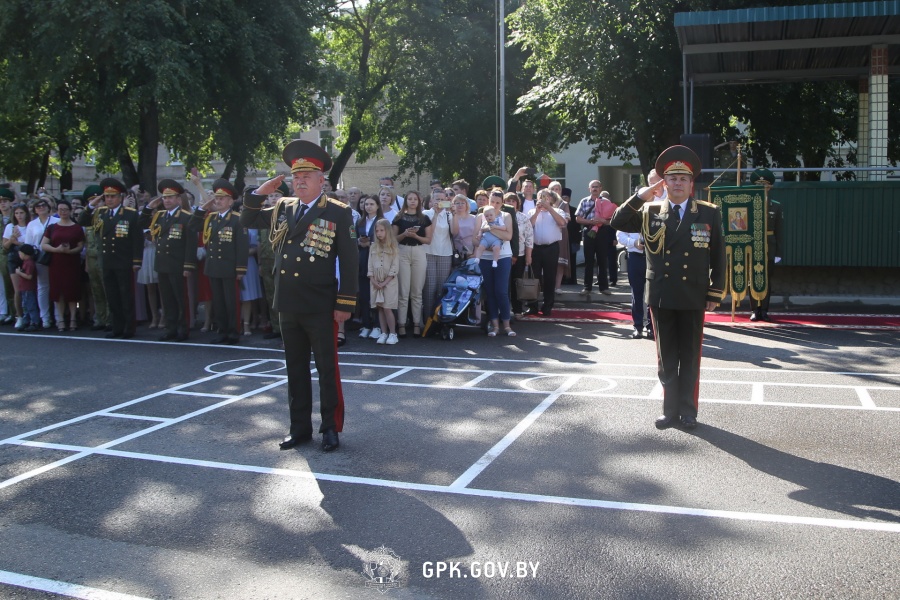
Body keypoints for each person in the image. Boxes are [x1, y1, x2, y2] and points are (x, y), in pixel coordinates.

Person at [241, 140, 358, 452]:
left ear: (322, 180)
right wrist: (260, 192)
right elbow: (247, 220)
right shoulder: (283, 207)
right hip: (288, 303)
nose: (300, 181)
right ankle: (299, 428)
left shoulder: (337, 212)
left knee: (327, 369)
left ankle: (330, 428)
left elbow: (349, 262)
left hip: (320, 303)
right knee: (295, 369)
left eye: (307, 176)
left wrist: (345, 302)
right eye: (296, 177)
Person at [610, 145, 726, 430]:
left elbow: (718, 256)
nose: (678, 184)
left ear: (691, 184)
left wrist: (715, 291)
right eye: (672, 179)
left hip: (693, 293)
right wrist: (642, 195)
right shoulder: (650, 210)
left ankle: (688, 411)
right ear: (664, 183)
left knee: (690, 356)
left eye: (683, 179)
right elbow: (617, 221)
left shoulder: (708, 213)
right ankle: (669, 411)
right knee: (666, 357)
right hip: (662, 294)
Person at [78, 178, 143, 338]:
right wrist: (92, 204)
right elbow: (82, 221)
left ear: (120, 197)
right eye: (107, 196)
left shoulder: (130, 214)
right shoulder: (101, 213)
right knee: (112, 296)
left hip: (123, 260)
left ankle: (128, 327)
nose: (109, 199)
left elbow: (137, 240)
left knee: (125, 295)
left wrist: (136, 261)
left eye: (113, 196)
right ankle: (117, 326)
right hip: (107, 261)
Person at [140, 179, 198, 341]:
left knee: (180, 298)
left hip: (178, 264)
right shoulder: (159, 216)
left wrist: (188, 266)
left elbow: (191, 244)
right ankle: (171, 328)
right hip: (163, 263)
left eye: (170, 197)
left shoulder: (186, 217)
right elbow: (141, 223)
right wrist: (149, 207)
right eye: (165, 198)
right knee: (167, 299)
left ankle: (183, 329)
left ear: (178, 199)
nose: (167, 201)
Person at [192, 179, 248, 344]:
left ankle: (233, 332)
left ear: (230, 201)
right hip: (213, 267)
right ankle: (222, 331)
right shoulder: (211, 218)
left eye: (222, 198)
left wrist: (240, 269)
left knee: (231, 302)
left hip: (229, 267)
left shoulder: (237, 219)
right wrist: (202, 209)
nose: (218, 201)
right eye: (216, 198)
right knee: (218, 301)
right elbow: (193, 226)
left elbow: (242, 246)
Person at [40, 199, 85, 331]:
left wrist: (70, 251)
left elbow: (81, 246)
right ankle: (60, 318)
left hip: (72, 262)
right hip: (56, 263)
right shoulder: (52, 227)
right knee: (57, 292)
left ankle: (73, 318)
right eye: (60, 210)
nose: (63, 212)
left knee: (73, 292)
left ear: (70, 211)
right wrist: (56, 249)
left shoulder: (77, 228)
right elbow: (44, 245)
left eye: (65, 209)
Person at [392, 190, 431, 337]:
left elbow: (428, 240)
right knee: (403, 291)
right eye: (410, 199)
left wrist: (415, 236)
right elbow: (393, 239)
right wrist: (405, 234)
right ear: (406, 201)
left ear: (419, 201)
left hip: (419, 252)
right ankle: (401, 323)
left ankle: (416, 323)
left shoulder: (424, 218)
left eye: (415, 199)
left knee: (417, 292)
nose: (413, 201)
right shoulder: (399, 217)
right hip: (402, 251)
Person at [476, 190, 515, 336]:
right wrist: (486, 245)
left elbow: (508, 236)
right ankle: (495, 326)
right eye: (492, 201)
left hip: (503, 257)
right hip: (485, 257)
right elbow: (475, 239)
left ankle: (507, 325)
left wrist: (491, 228)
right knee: (490, 292)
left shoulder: (506, 216)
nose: (495, 205)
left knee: (501, 291)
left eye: (498, 202)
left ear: (502, 203)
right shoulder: (481, 216)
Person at [749, 168, 784, 322]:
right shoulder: (749, 205)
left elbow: (779, 232)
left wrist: (778, 253)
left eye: (764, 185)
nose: (762, 187)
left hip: (769, 246)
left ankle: (764, 310)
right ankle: (754, 309)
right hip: (752, 246)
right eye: (758, 185)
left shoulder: (776, 206)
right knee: (752, 278)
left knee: (766, 279)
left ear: (769, 187)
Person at [527, 188, 568, 317]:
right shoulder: (531, 211)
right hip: (535, 248)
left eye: (546, 197)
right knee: (534, 277)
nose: (543, 199)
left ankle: (547, 306)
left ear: (550, 199)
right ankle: (532, 306)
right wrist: (537, 212)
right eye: (541, 197)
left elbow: (562, 223)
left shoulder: (558, 211)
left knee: (550, 277)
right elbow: (528, 227)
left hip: (551, 248)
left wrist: (549, 209)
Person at [23, 196, 59, 328]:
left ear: (49, 208)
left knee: (56, 286)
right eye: (38, 206)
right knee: (43, 287)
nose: (41, 208)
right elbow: (28, 244)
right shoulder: (32, 224)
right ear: (35, 210)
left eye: (44, 205)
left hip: (56, 256)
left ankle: (58, 317)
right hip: (40, 259)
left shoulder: (56, 221)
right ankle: (45, 318)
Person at [575, 180, 614, 299]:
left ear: (601, 188)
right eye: (593, 187)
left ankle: (604, 287)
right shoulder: (584, 201)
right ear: (589, 189)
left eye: (597, 187)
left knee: (602, 260)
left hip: (602, 232)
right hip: (589, 231)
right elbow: (578, 218)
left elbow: (612, 220)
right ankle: (587, 287)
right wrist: (590, 222)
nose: (595, 189)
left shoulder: (606, 202)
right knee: (589, 261)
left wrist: (603, 221)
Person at [422, 188, 455, 325]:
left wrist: (454, 214)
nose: (440, 202)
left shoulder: (448, 214)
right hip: (428, 252)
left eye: (442, 199)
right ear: (432, 200)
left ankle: (440, 320)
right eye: (437, 199)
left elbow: (455, 232)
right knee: (430, 287)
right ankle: (427, 320)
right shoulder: (426, 214)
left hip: (445, 253)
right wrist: (435, 214)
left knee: (441, 288)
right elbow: (430, 231)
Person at [368, 218, 399, 345]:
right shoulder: (373, 247)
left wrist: (385, 282)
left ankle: (393, 333)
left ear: (388, 231)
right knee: (380, 307)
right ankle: (383, 332)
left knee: (387, 307)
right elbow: (370, 265)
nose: (379, 233)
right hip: (376, 282)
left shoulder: (393, 247)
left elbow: (395, 267)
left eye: (382, 230)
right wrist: (373, 280)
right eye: (377, 231)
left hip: (389, 283)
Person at [356, 195, 383, 339]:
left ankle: (377, 326)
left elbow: (386, 241)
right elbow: (352, 238)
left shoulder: (382, 221)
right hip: (362, 261)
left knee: (377, 295)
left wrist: (370, 244)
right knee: (364, 295)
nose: (368, 207)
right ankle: (366, 325)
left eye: (372, 204)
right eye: (366, 204)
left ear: (377, 206)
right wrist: (359, 242)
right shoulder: (360, 221)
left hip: (377, 261)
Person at [3, 202, 30, 328]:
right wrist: (12, 239)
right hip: (14, 258)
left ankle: (31, 315)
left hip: (28, 258)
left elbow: (30, 245)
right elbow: (5, 246)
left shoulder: (31, 225)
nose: (19, 215)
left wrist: (18, 243)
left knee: (30, 289)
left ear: (26, 214)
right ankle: (19, 316)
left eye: (21, 213)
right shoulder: (10, 226)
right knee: (18, 289)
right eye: (17, 213)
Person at [14, 244, 41, 332]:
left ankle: (35, 322)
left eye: (20, 253)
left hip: (28, 288)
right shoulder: (26, 262)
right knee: (25, 306)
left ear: (25, 254)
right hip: (24, 288)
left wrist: (19, 273)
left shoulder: (29, 263)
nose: (19, 255)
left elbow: (29, 276)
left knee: (31, 306)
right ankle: (26, 321)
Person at [0, 189, 14, 324]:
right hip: (1, 255)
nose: (2, 204)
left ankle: (14, 312)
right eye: (0, 202)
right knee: (2, 286)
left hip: (12, 254)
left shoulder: (15, 218)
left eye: (5, 201)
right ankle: (4, 311)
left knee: (11, 285)